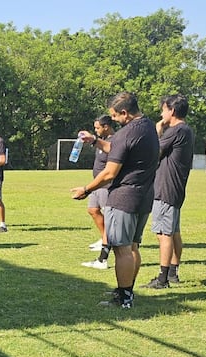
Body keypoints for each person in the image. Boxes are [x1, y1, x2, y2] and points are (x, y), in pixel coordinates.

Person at [72, 91, 159, 309]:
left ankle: (123, 297)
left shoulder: (126, 132)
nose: (114, 120)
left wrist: (86, 189)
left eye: (115, 116)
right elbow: (118, 149)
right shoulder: (148, 127)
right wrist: (95, 142)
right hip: (144, 195)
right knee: (133, 246)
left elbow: (110, 172)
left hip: (124, 197)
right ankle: (127, 289)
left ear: (124, 113)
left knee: (122, 248)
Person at [142, 94, 195, 289]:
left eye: (163, 109)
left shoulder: (175, 130)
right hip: (176, 189)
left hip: (166, 189)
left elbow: (153, 152)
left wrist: (157, 131)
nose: (161, 113)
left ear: (171, 111)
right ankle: (173, 272)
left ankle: (162, 278)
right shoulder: (186, 130)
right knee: (173, 232)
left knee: (164, 233)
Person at [81, 115, 115, 270]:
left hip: (106, 185)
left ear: (106, 126)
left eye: (98, 127)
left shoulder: (113, 142)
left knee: (109, 219)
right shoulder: (101, 143)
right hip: (96, 185)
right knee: (92, 210)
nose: (96, 130)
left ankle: (103, 258)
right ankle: (104, 238)